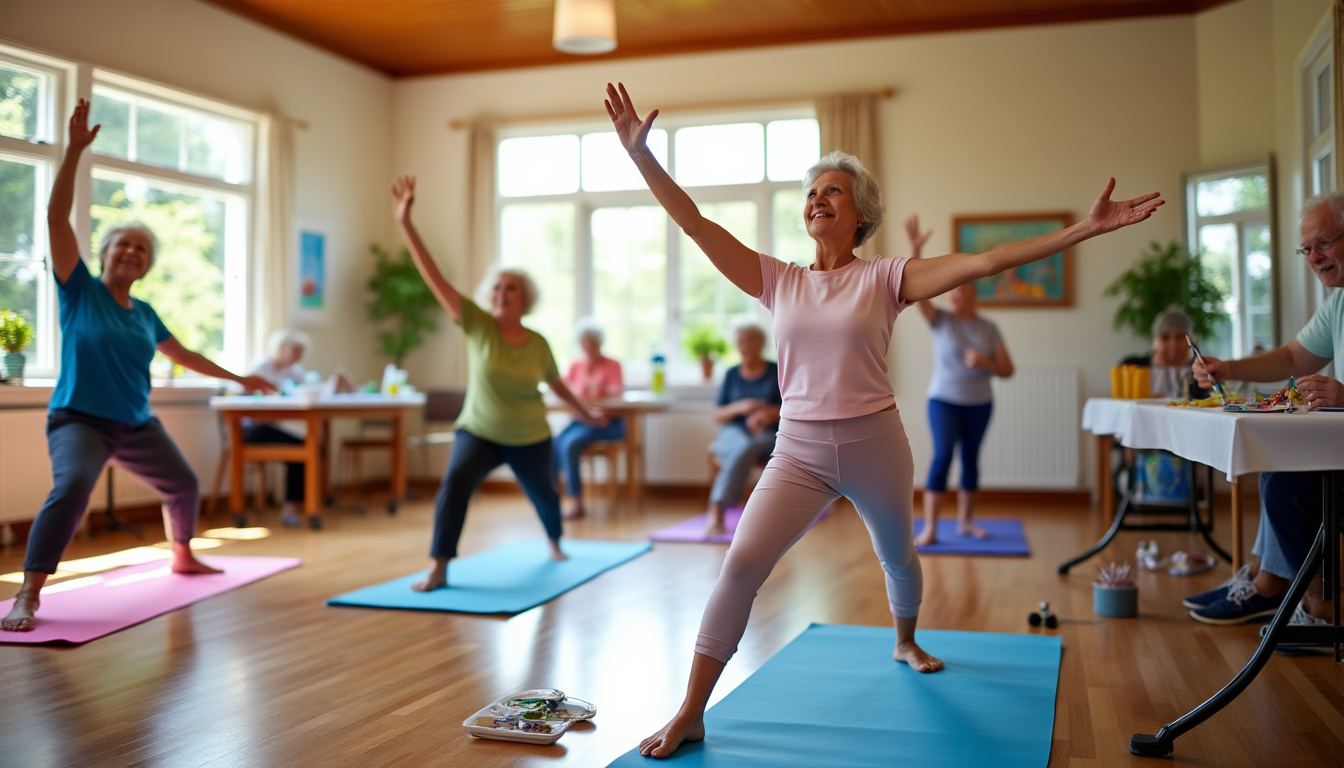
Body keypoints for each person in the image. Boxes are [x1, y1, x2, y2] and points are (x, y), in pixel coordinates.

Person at [604, 81, 1163, 758]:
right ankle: (692, 710)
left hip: (875, 443)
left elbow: (986, 261)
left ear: (861, 213)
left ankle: (905, 639)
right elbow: (695, 224)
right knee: (741, 564)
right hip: (797, 452)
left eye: (833, 191)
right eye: (812, 192)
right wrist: (641, 156)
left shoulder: (887, 277)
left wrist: (1085, 229)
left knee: (897, 554)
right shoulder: (778, 279)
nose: (818, 198)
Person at [2, 100, 273, 632]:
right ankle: (28, 594)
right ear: (105, 252)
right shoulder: (79, 291)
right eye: (123, 244)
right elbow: (56, 218)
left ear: (147, 265)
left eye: (142, 249)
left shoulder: (145, 313)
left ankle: (183, 556)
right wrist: (74, 151)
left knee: (184, 483)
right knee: (72, 489)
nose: (132, 251)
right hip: (79, 421)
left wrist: (241, 378)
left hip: (136, 424)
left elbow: (185, 356)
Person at [391, 175, 603, 591]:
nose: (503, 292)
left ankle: (555, 542)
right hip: (481, 431)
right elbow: (435, 278)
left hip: (529, 434)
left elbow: (557, 384)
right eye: (499, 287)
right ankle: (439, 565)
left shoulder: (538, 343)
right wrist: (405, 223)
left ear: (525, 299)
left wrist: (584, 413)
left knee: (545, 495)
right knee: (454, 485)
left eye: (512, 288)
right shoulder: (478, 325)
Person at [1184, 191, 1344, 626]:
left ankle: (1315, 604)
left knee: (1286, 480)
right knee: (1279, 463)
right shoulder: (1338, 301)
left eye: (1324, 243)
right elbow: (1295, 357)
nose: (1315, 257)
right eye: (1306, 249)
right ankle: (1267, 582)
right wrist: (1229, 367)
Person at [905, 216, 1013, 546]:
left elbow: (1007, 370)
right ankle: (931, 528)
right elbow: (916, 289)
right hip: (943, 401)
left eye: (960, 288)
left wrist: (986, 362)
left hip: (979, 404)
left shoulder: (988, 328)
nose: (953, 293)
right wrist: (915, 250)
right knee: (942, 458)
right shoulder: (940, 320)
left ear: (972, 294)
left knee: (970, 461)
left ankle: (965, 523)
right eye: (951, 289)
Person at [244, 329, 353, 526]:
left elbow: (313, 392)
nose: (298, 356)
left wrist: (334, 384)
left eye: (301, 352)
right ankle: (295, 507)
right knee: (306, 446)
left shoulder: (294, 371)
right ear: (281, 348)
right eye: (295, 351)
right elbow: (242, 396)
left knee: (309, 445)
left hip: (274, 427)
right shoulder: (261, 368)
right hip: (253, 429)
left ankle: (293, 507)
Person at [704, 322, 781, 537]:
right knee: (742, 445)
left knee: (746, 446)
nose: (745, 346)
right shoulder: (731, 374)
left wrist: (766, 414)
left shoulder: (777, 370)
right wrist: (740, 407)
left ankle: (717, 509)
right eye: (741, 342)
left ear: (761, 344)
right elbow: (718, 414)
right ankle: (722, 508)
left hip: (767, 434)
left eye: (750, 341)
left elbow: (792, 407)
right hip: (734, 431)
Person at [553, 319, 625, 520]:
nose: (589, 346)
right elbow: (563, 391)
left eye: (593, 341)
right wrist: (589, 396)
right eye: (585, 342)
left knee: (570, 444)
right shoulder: (576, 366)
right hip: (581, 421)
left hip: (607, 424)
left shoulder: (613, 365)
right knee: (553, 442)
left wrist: (587, 396)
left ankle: (576, 502)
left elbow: (615, 395)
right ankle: (552, 496)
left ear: (600, 342)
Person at [1120, 306, 1206, 399]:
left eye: (1180, 337)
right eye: (1165, 337)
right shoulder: (1131, 366)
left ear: (1191, 340)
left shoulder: (1202, 370)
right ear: (1154, 340)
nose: (1173, 344)